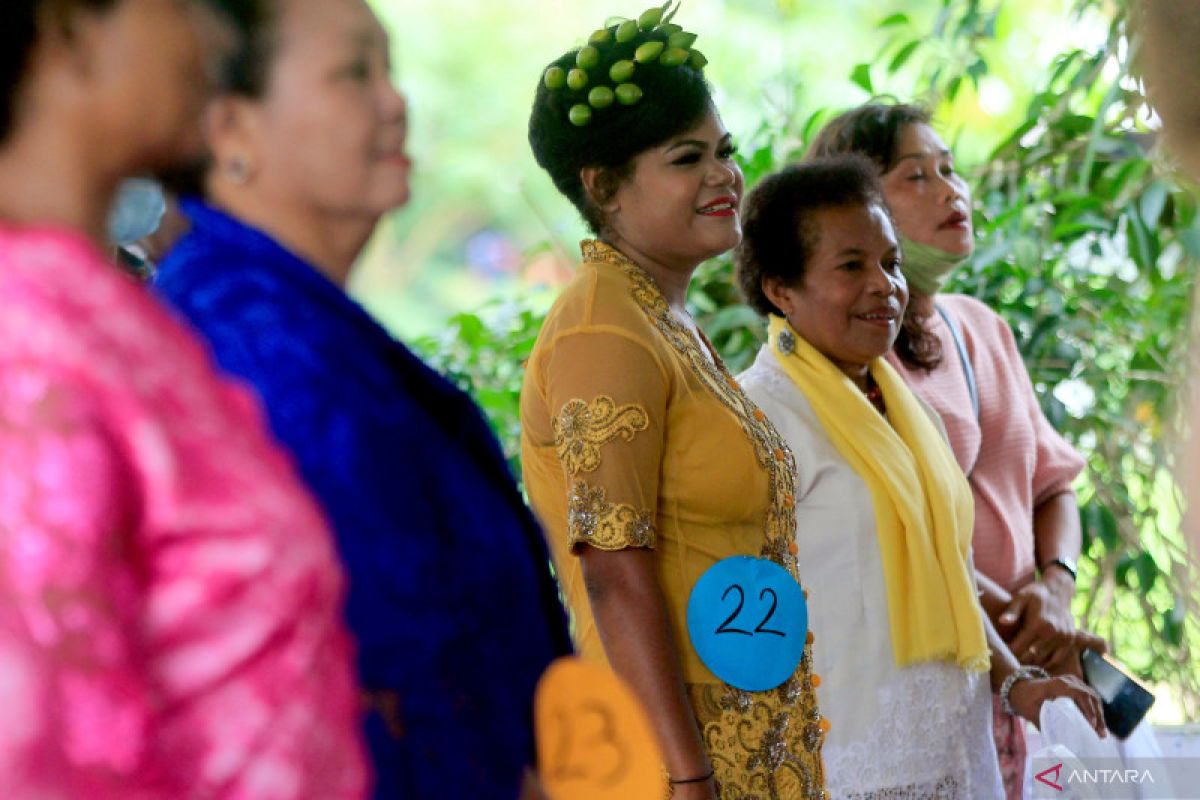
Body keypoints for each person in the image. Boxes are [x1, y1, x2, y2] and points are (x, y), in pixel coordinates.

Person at [150, 1, 572, 797]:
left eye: (390, 69)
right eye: (354, 73)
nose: (396, 101)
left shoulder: (292, 319)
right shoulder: (253, 347)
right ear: (232, 128)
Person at [0, 1, 367, 797]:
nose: (217, 34)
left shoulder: (107, 308)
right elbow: (40, 749)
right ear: (70, 31)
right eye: (182, 3)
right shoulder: (23, 335)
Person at [521, 8, 826, 799]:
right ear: (603, 185)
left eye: (725, 151)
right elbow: (615, 572)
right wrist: (688, 777)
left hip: (744, 733)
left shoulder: (661, 317)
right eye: (687, 157)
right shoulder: (605, 331)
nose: (724, 175)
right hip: (673, 759)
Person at [734, 157, 1106, 799]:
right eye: (852, 266)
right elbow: (733, 618)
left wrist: (1019, 682)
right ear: (781, 290)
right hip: (844, 767)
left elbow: (949, 570)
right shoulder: (755, 419)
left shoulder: (905, 408)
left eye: (892, 263)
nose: (885, 287)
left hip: (955, 752)